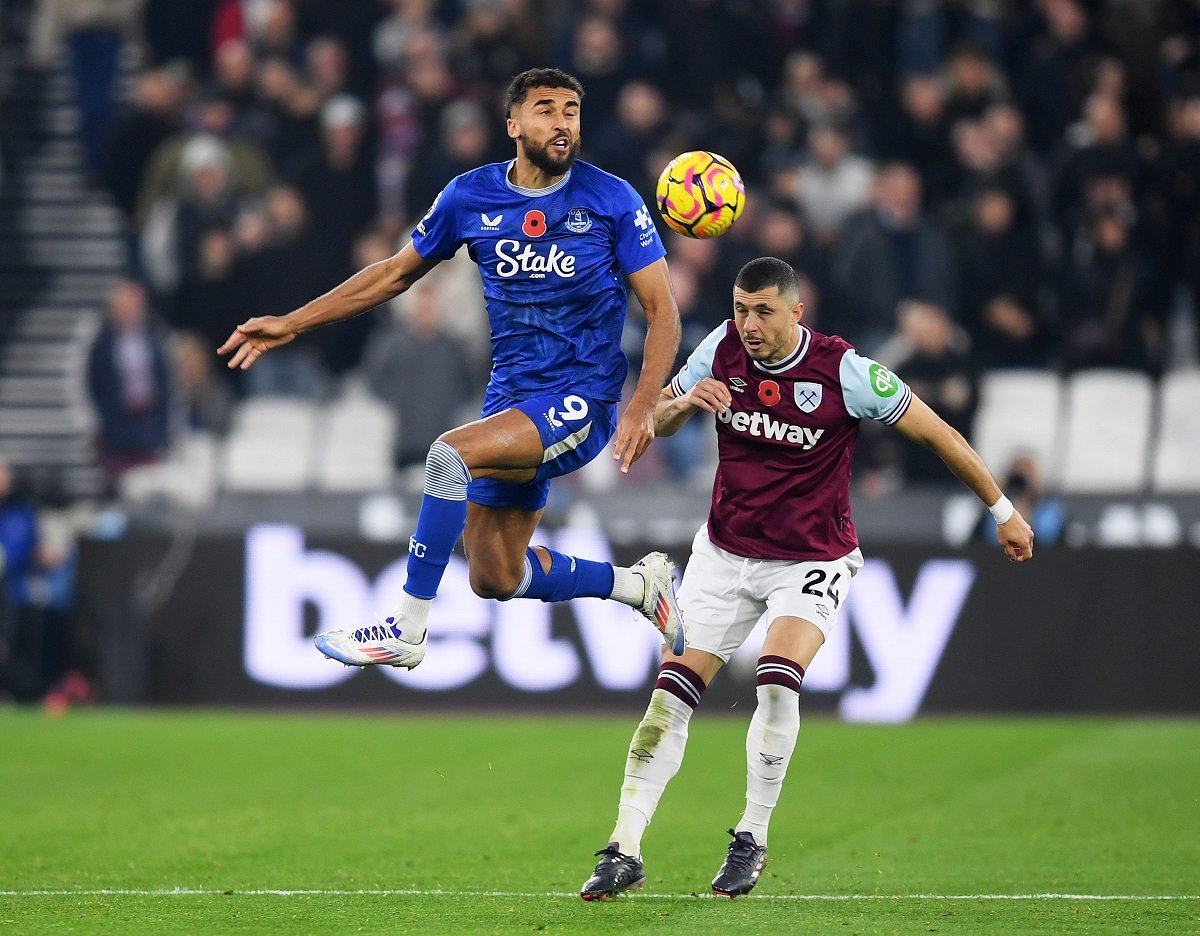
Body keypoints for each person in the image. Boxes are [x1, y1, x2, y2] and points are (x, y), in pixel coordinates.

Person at [579, 257, 1034, 901]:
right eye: (741, 308)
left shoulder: (845, 371)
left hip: (810, 559)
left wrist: (1003, 510)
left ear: (797, 312)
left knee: (775, 675)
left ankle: (751, 836)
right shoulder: (720, 348)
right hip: (724, 553)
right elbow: (656, 420)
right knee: (669, 698)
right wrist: (685, 402)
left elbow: (938, 434)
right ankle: (624, 848)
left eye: (763, 311)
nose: (749, 323)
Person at [218, 67, 686, 670]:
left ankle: (407, 628)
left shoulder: (612, 199)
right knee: (495, 575)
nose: (562, 123)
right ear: (513, 124)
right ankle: (639, 587)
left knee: (448, 455)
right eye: (546, 110)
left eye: (571, 110)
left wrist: (641, 405)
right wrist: (293, 323)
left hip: (581, 398)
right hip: (511, 400)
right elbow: (393, 274)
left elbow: (663, 312)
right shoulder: (470, 196)